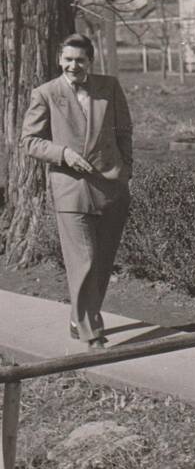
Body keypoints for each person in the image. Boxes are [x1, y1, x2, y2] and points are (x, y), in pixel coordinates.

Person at [21, 33, 133, 350]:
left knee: (102, 262)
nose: (73, 65)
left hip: (111, 186)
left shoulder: (109, 87)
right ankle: (91, 333)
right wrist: (63, 154)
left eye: (80, 60)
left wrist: (128, 170)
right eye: (68, 59)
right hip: (71, 189)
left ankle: (77, 317)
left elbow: (125, 130)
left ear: (90, 61)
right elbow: (29, 141)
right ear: (60, 60)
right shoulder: (45, 93)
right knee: (83, 259)